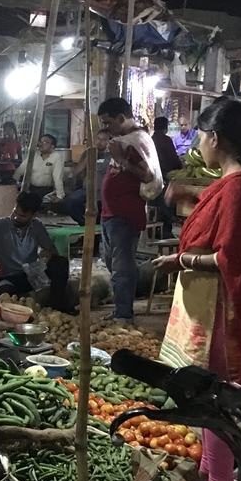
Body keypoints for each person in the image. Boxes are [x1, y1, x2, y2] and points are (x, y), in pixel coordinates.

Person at [154, 98, 241, 481]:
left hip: (221, 311)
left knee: (212, 401)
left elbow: (233, 258)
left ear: (215, 137)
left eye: (199, 136)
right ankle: (212, 476)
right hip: (229, 303)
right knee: (213, 400)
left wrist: (181, 260)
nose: (198, 144)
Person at [97, 97, 156, 324]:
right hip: (111, 213)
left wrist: (120, 158)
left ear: (121, 118)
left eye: (108, 122)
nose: (106, 128)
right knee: (112, 262)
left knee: (122, 265)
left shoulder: (136, 141)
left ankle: (124, 314)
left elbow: (146, 174)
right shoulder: (124, 139)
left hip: (125, 214)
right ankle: (120, 308)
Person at [0, 192, 73, 312]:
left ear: (33, 215)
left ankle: (57, 307)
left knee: (60, 263)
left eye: (22, 216)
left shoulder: (37, 226)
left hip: (30, 276)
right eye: (15, 212)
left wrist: (47, 253)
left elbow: (52, 251)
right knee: (5, 290)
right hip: (8, 277)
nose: (16, 218)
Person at [64, 129, 111, 226]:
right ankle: (85, 225)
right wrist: (90, 156)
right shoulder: (87, 153)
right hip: (87, 189)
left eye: (103, 140)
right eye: (98, 139)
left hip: (103, 191)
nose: (100, 142)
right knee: (69, 203)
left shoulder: (111, 155)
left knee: (98, 211)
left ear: (109, 141)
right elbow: (77, 171)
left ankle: (95, 233)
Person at [152, 117, 183, 238]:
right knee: (165, 205)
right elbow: (173, 159)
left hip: (152, 178)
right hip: (164, 176)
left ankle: (153, 232)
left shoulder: (151, 139)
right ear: (165, 127)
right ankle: (165, 232)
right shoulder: (165, 140)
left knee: (154, 206)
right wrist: (179, 167)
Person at [13, 133, 65, 201]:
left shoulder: (56, 157)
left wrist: (59, 195)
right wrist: (13, 185)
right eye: (40, 142)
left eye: (45, 142)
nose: (40, 144)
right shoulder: (33, 155)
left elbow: (57, 177)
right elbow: (20, 170)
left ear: (52, 147)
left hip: (47, 191)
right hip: (31, 189)